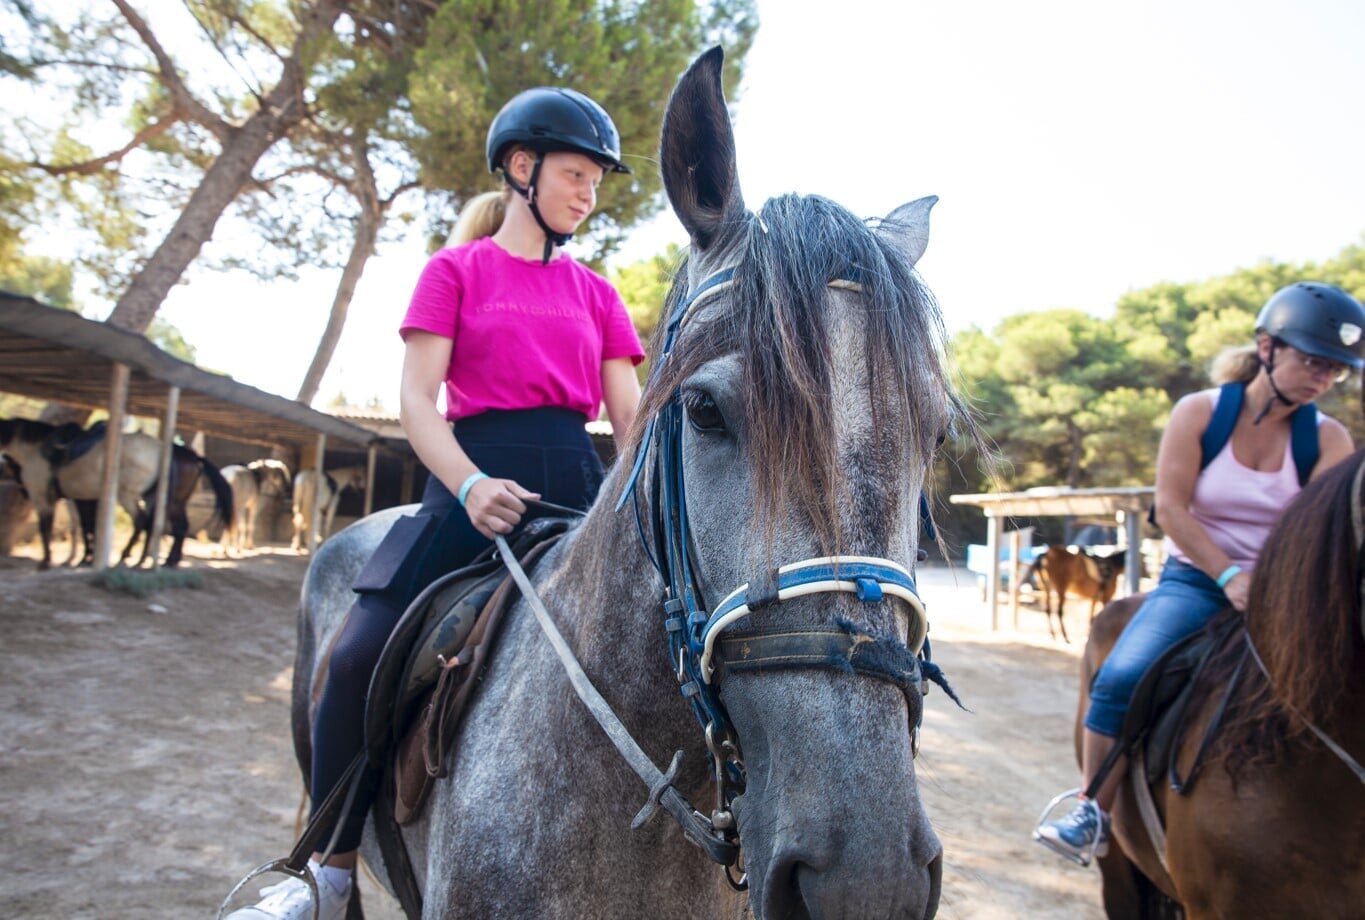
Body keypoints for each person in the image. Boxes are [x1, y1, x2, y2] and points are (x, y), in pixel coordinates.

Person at [228, 86, 644, 920]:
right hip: (468, 479)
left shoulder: (599, 293)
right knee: (352, 658)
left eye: (596, 181)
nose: (587, 194)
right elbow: (419, 400)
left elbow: (629, 417)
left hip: (575, 483)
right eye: (574, 174)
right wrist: (468, 485)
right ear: (521, 170)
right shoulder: (452, 272)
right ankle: (327, 874)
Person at [1032, 281, 1365, 864]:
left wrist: (1283, 590)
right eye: (1312, 361)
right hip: (1199, 582)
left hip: (1290, 594)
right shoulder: (1201, 414)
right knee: (1120, 678)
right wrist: (1229, 578)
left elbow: (1326, 537)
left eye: (1335, 371)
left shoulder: (1330, 439)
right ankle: (1093, 811)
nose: (1322, 379)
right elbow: (1172, 511)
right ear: (1267, 347)